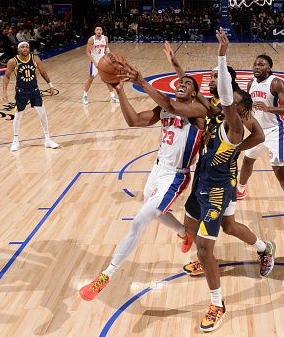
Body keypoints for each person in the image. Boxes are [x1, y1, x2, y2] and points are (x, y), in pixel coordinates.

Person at [78, 66, 207, 302]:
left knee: (139, 221)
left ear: (194, 94)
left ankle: (106, 275)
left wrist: (142, 80)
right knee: (154, 211)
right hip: (157, 171)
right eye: (181, 82)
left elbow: (171, 106)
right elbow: (134, 120)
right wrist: (120, 92)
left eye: (188, 83)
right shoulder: (165, 109)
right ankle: (183, 233)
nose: (182, 84)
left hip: (176, 176)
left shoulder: (198, 111)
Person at [162, 41, 275, 281]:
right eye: (210, 77)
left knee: (229, 225)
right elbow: (194, 91)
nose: (210, 80)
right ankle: (207, 258)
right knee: (214, 224)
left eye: (215, 76)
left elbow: (259, 134)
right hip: (205, 174)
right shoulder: (214, 104)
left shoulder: (236, 103)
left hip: (224, 176)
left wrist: (236, 151)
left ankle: (264, 248)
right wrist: (176, 65)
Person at [186, 28, 257, 332]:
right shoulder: (216, 113)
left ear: (238, 109)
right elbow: (207, 96)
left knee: (204, 248)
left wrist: (222, 54)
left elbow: (227, 98)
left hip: (218, 187)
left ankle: (217, 303)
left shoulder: (234, 124)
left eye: (230, 102)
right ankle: (264, 248)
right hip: (200, 182)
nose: (224, 100)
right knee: (199, 230)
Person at [237, 54, 284, 224]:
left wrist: (269, 108)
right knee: (247, 161)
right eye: (255, 64)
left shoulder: (276, 83)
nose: (256, 67)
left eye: (261, 65)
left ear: (269, 68)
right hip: (258, 131)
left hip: (275, 130)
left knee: (278, 171)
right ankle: (241, 190)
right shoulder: (251, 83)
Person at [2, 42, 59, 151]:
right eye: (22, 47)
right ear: (19, 49)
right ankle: (15, 141)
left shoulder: (35, 58)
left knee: (42, 113)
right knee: (18, 116)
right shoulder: (13, 61)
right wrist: (4, 92)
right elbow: (6, 76)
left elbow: (43, 72)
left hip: (34, 91)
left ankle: (47, 140)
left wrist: (50, 85)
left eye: (27, 47)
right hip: (21, 92)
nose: (25, 48)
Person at [82, 24, 118, 104]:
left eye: (100, 30)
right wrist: (94, 62)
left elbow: (107, 49)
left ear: (102, 31)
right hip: (94, 61)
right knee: (90, 79)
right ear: (94, 31)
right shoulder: (91, 39)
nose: (99, 31)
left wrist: (110, 59)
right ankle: (84, 96)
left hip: (103, 61)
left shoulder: (105, 38)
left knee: (107, 79)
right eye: (97, 30)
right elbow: (88, 52)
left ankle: (112, 97)